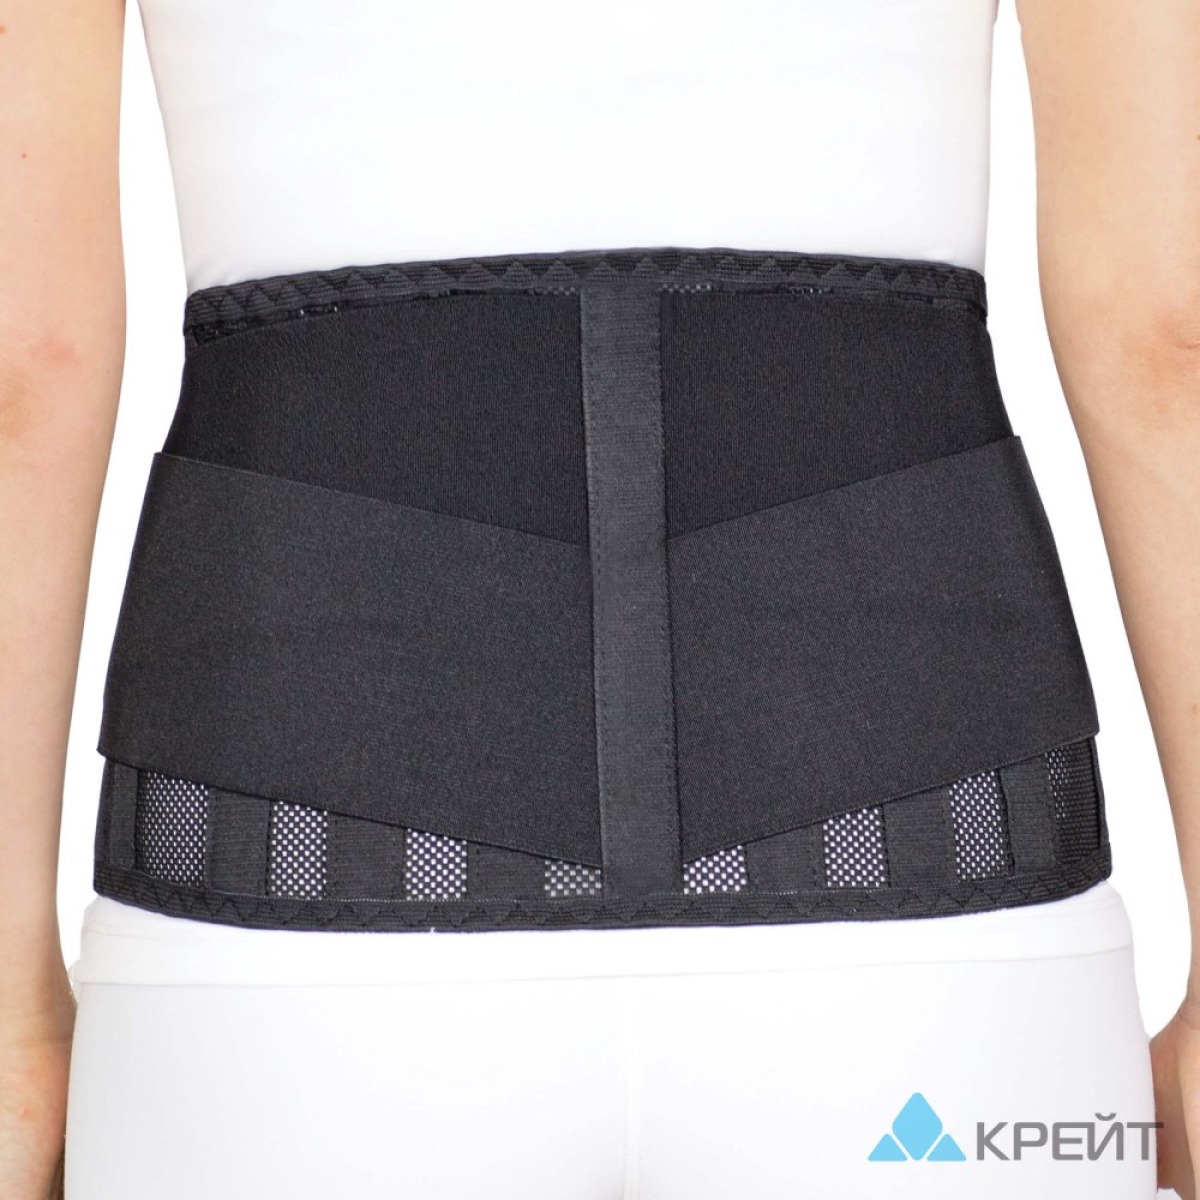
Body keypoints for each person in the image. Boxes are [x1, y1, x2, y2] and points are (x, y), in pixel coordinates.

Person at [1, 0, 1197, 1197]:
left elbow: (25, 368)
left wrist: (11, 1031)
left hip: (288, 931)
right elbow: (1167, 335)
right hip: (934, 922)